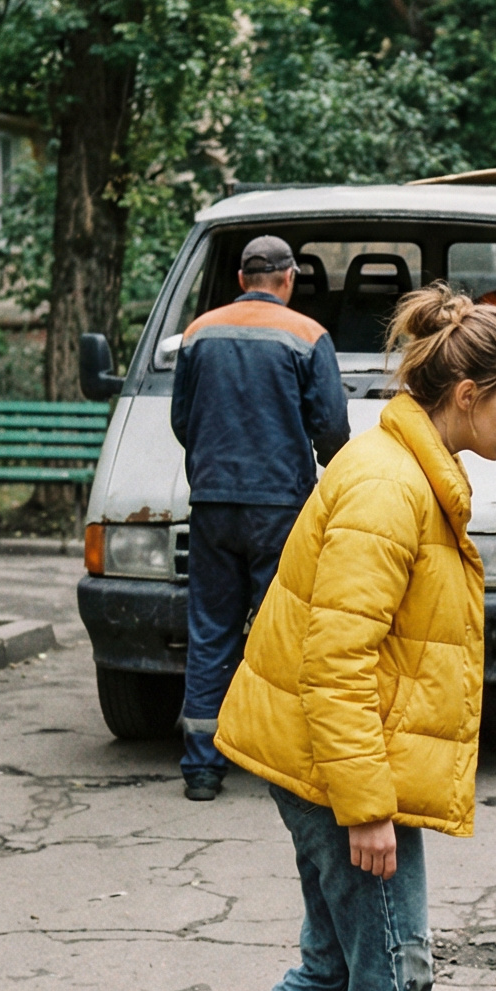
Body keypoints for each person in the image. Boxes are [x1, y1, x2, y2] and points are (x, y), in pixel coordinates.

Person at [137, 288, 496, 991]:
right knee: (395, 978)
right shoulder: (387, 488)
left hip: (331, 759)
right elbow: (338, 660)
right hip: (342, 771)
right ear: (466, 395)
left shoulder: (408, 468)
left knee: (336, 968)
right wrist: (367, 807)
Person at [170, 234, 349, 803]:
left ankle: (202, 768)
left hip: (213, 504)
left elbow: (182, 420)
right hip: (280, 509)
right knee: (284, 633)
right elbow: (331, 427)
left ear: (242, 279)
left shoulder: (198, 332)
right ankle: (280, 760)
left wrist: (214, 464)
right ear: (289, 278)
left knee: (211, 631)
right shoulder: (307, 335)